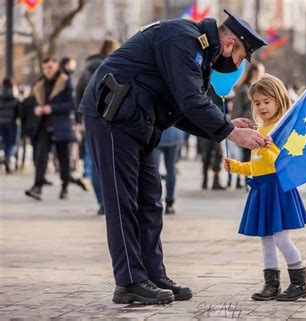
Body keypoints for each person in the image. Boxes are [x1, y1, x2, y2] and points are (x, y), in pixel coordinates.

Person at [79, 10, 269, 305]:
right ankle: (129, 281)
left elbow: (184, 109)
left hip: (136, 121)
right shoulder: (182, 39)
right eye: (241, 55)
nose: (237, 64)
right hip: (112, 117)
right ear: (229, 44)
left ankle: (153, 275)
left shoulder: (198, 51)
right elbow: (191, 101)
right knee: (123, 201)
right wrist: (230, 133)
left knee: (151, 200)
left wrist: (227, 124)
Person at [224, 74, 306, 302]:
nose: (261, 107)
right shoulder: (260, 129)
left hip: (278, 189)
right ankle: (271, 284)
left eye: (266, 101)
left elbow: (285, 161)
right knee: (266, 239)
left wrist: (272, 147)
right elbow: (257, 166)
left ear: (279, 100)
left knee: (281, 238)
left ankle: (300, 281)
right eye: (257, 102)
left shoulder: (282, 129)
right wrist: (236, 167)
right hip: (261, 189)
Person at [76, 38, 121, 215]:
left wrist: (78, 119)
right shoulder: (115, 65)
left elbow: (79, 93)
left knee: (94, 160)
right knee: (113, 161)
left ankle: (101, 202)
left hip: (90, 117)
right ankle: (112, 201)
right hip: (112, 118)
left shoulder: (87, 68)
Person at [25, 58, 76, 200]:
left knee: (63, 158)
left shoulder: (65, 81)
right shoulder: (39, 83)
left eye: (50, 67)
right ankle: (37, 187)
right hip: (44, 125)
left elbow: (72, 104)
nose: (48, 70)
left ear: (56, 67)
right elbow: (33, 101)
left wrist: (51, 108)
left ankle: (65, 187)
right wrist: (36, 108)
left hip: (61, 125)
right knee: (41, 157)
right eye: (45, 67)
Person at [231, 62, 265, 189]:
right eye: (258, 72)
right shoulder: (244, 89)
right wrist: (239, 125)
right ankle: (245, 180)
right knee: (246, 155)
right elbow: (237, 108)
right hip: (246, 125)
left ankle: (248, 179)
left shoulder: (260, 89)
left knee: (254, 154)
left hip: (258, 126)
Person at [153, 127, 185, 214]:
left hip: (156, 134)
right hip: (174, 134)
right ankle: (169, 203)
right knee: (171, 169)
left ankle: (154, 201)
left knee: (154, 171)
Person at [0, 78, 20, 174]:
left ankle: (4, 157)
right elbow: (18, 109)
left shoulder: (1, 95)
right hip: (11, 122)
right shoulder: (14, 95)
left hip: (1, 122)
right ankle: (8, 158)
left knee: (4, 142)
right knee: (11, 142)